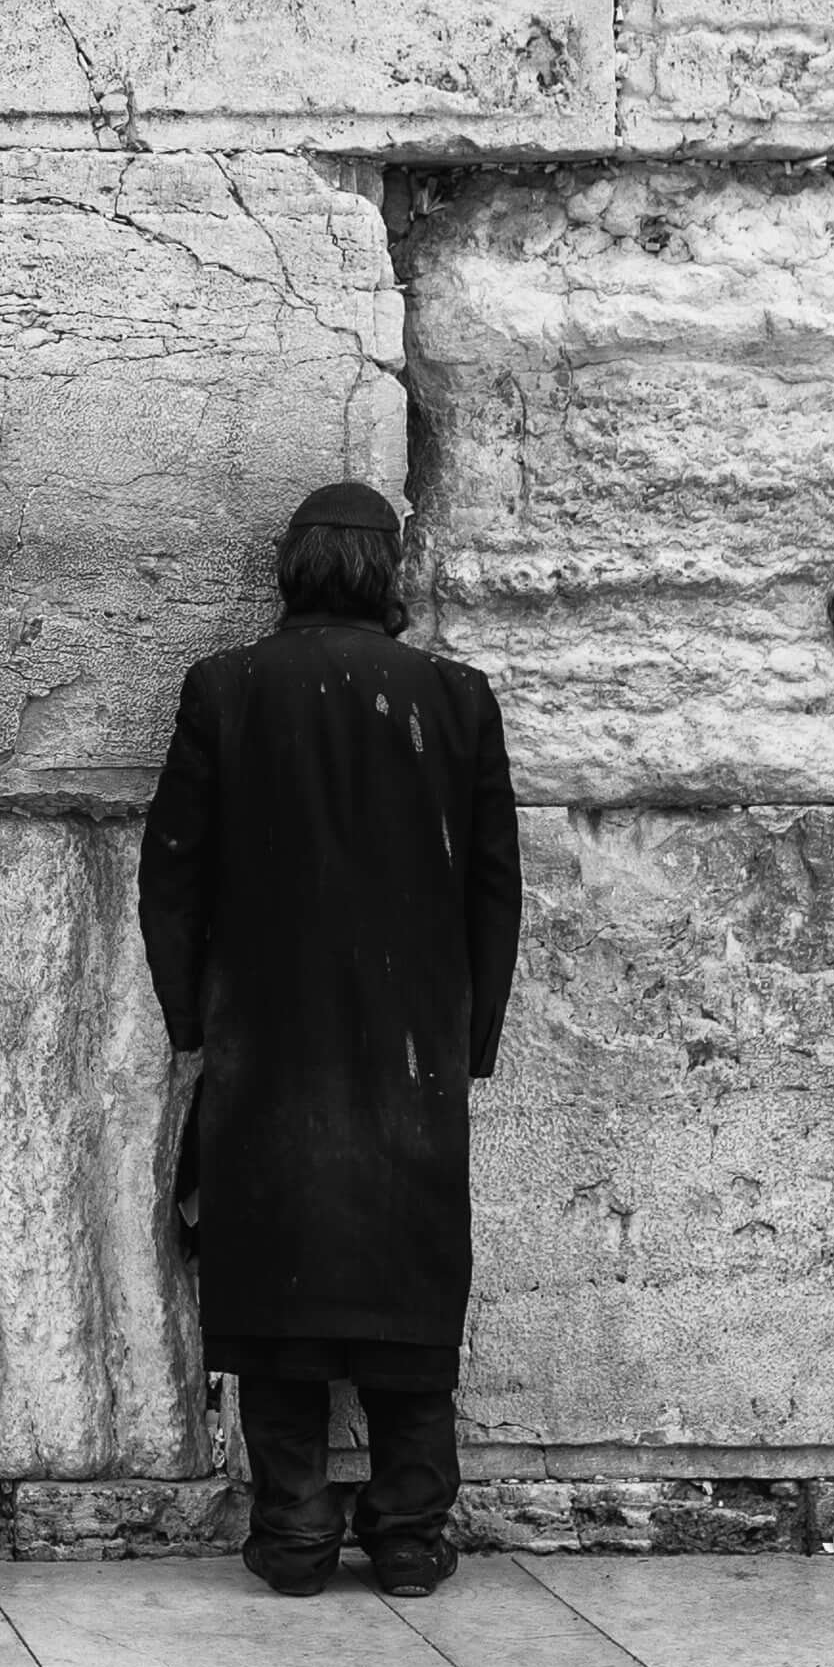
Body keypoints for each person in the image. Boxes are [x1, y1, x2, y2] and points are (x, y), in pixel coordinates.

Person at [136, 479, 521, 1602]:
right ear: (386, 568)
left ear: (291, 564)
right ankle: (408, 1533)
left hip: (271, 1039)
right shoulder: (456, 700)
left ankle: (296, 1530)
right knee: (410, 1278)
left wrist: (192, 1019)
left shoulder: (228, 690)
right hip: (412, 1047)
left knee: (277, 1284)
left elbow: (173, 869)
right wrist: (471, 1035)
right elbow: (496, 886)